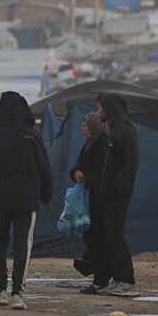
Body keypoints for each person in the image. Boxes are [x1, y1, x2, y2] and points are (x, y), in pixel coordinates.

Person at [0, 91, 52, 310]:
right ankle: (18, 294)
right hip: (27, 199)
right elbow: (45, 168)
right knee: (22, 245)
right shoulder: (33, 136)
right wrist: (46, 195)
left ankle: (0, 292)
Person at [94, 94, 141, 297]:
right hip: (108, 195)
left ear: (109, 109)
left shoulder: (126, 131)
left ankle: (127, 280)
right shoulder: (114, 131)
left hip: (118, 195)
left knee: (116, 235)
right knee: (109, 236)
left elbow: (132, 162)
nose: (98, 112)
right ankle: (117, 277)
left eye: (100, 108)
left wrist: (117, 186)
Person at [71, 112, 111, 294]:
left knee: (99, 239)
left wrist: (86, 177)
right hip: (87, 199)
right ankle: (98, 276)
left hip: (98, 199)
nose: (82, 129)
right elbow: (77, 167)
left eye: (85, 126)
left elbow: (101, 172)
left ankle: (101, 280)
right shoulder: (89, 145)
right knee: (91, 238)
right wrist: (76, 174)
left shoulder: (103, 145)